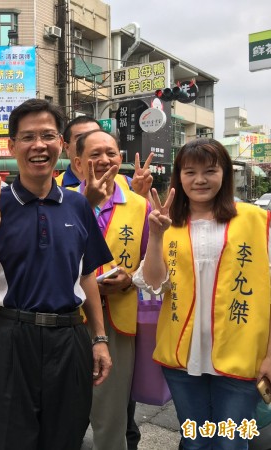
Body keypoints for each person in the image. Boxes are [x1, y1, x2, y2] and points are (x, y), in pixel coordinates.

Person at [0, 99, 113, 450]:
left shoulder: (77, 204)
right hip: (11, 336)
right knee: (11, 437)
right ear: (12, 146)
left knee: (66, 436)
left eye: (48, 135)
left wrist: (99, 338)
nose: (38, 145)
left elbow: (87, 275)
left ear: (62, 144)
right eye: (28, 137)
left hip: (69, 336)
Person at [135, 138, 271, 450]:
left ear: (225, 174)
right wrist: (155, 236)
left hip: (242, 354)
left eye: (210, 170)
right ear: (178, 177)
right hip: (182, 356)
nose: (199, 180)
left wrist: (270, 355)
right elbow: (154, 284)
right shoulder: (168, 223)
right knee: (194, 440)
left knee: (232, 442)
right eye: (190, 172)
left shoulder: (255, 220)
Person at [74, 129, 151, 450]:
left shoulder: (140, 206)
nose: (104, 160)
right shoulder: (63, 202)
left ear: (120, 159)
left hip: (119, 323)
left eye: (111, 153)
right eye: (94, 154)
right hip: (70, 322)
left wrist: (132, 278)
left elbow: (154, 263)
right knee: (64, 411)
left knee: (111, 418)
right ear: (78, 164)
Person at [55, 115, 154, 200]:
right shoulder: (54, 188)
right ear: (66, 147)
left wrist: (144, 194)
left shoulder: (128, 183)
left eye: (96, 134)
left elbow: (147, 218)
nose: (91, 141)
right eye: (81, 137)